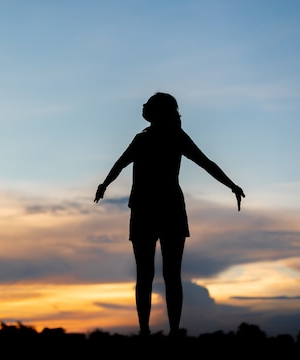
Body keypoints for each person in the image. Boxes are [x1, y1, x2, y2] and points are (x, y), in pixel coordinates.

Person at [94, 92, 245, 337]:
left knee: (154, 275)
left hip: (154, 209)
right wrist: (104, 184)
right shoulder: (153, 138)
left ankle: (157, 331)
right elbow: (120, 164)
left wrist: (231, 185)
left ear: (158, 111)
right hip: (159, 208)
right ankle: (157, 330)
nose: (143, 106)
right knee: (163, 275)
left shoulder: (159, 138)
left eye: (149, 104)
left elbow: (206, 163)